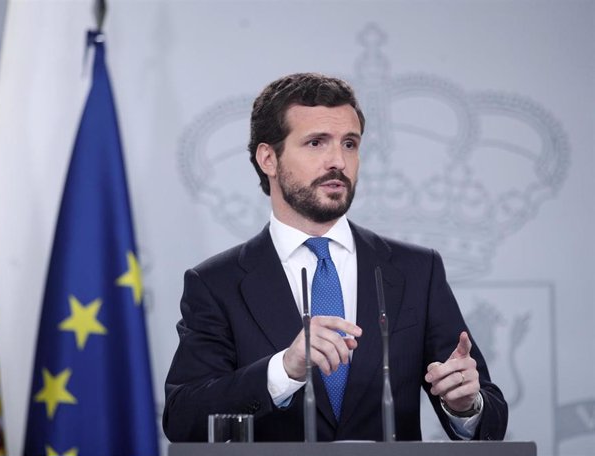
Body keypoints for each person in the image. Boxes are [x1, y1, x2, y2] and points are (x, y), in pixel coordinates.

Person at [163, 73, 508, 442]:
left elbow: (489, 418)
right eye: (315, 143)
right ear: (269, 159)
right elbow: (184, 418)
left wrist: (465, 406)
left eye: (349, 144)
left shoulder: (416, 271)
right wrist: (284, 370)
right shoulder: (217, 283)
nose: (338, 161)